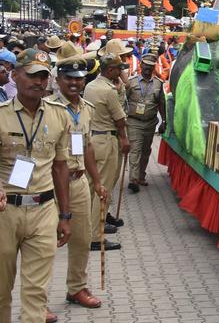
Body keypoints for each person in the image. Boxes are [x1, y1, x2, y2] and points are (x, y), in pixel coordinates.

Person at [0, 48, 76, 323]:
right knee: (2, 286)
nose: (39, 81)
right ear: (15, 76)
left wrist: (66, 215)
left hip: (44, 209)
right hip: (5, 211)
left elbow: (61, 167)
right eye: (32, 75)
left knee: (36, 291)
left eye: (43, 76)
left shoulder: (59, 115)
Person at [50, 50, 110, 309]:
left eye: (79, 78)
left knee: (82, 238)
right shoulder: (48, 108)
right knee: (44, 244)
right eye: (68, 79)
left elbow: (86, 147)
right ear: (58, 80)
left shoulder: (87, 109)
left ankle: (76, 288)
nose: (74, 83)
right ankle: (37, 299)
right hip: (51, 184)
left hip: (79, 181)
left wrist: (97, 181)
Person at [83, 53, 130, 248]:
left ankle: (90, 228)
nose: (121, 72)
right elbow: (120, 120)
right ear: (110, 70)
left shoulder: (91, 86)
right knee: (104, 190)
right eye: (119, 68)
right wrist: (125, 138)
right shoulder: (109, 90)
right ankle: (95, 236)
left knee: (93, 188)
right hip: (107, 139)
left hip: (94, 138)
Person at [125, 54, 165, 194]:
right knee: (135, 149)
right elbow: (123, 100)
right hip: (134, 122)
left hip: (150, 123)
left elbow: (161, 104)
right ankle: (133, 180)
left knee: (146, 151)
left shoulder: (158, 84)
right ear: (141, 65)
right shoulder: (131, 82)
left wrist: (164, 121)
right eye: (145, 65)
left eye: (151, 66)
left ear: (154, 67)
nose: (148, 68)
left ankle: (141, 176)